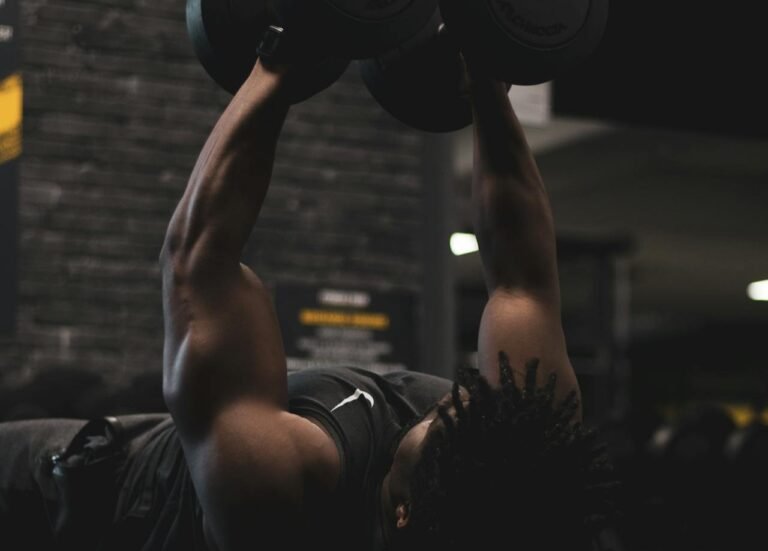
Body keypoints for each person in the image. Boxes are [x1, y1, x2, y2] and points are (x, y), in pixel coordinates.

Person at [0, 40, 619, 551]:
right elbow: (523, 276)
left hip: (88, 509)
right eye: (463, 404)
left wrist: (280, 59)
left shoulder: (279, 487)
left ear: (400, 511)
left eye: (439, 426)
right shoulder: (530, 455)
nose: (445, 405)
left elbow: (200, 263)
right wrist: (487, 85)